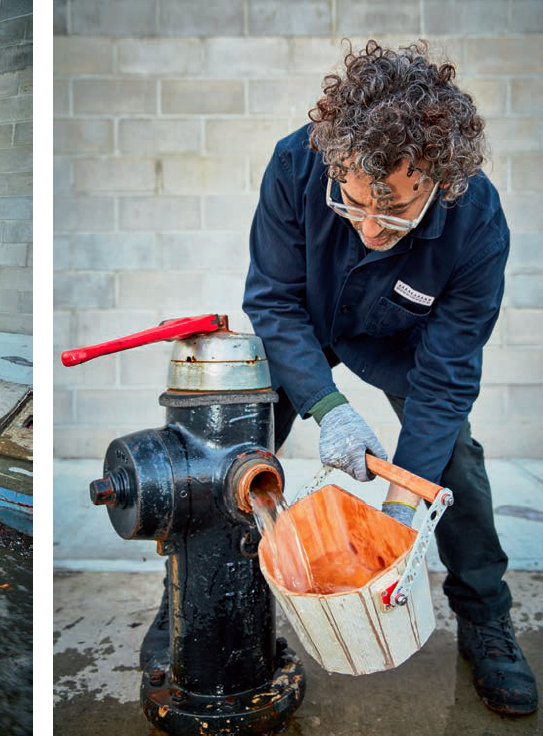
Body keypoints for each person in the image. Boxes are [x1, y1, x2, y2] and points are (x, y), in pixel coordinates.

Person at [239, 40, 535, 714]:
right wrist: (324, 404)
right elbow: (272, 300)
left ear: (439, 176)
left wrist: (404, 506)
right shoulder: (296, 163)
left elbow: (447, 376)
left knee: (451, 461)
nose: (371, 227)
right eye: (352, 203)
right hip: (305, 328)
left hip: (407, 344)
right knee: (236, 449)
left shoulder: (476, 223)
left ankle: (485, 617)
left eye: (396, 209)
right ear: (334, 162)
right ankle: (203, 611)